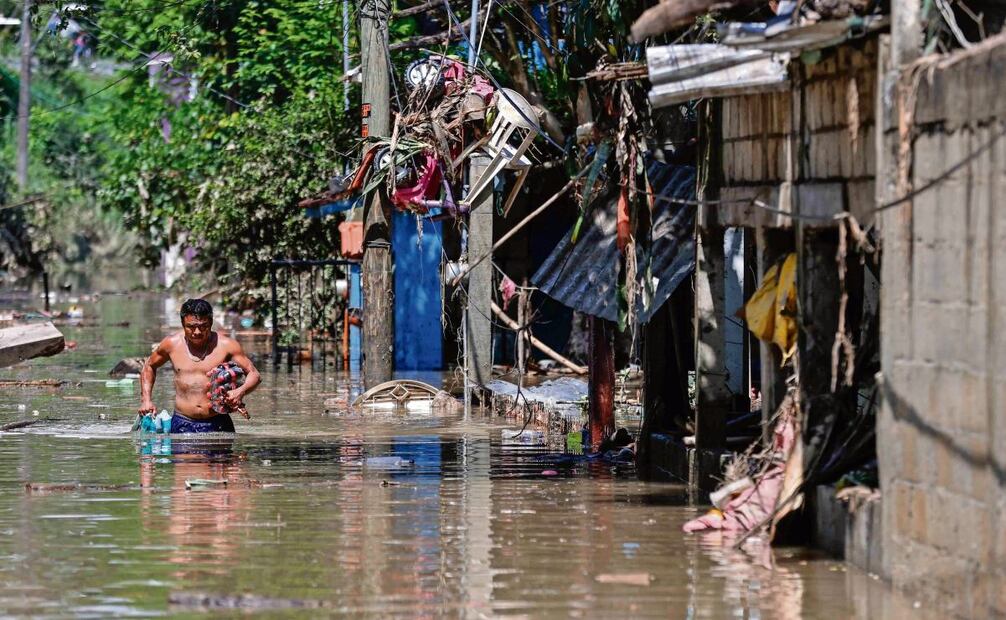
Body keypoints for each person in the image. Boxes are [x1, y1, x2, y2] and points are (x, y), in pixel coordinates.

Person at [139, 298, 261, 433]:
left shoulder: (227, 345)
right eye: (191, 326)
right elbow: (149, 366)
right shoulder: (171, 344)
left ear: (211, 323)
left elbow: (254, 374)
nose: (197, 332)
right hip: (182, 422)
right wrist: (146, 400)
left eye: (203, 326)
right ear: (182, 324)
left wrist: (240, 391)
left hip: (218, 421)